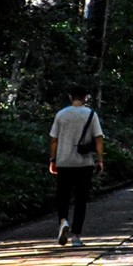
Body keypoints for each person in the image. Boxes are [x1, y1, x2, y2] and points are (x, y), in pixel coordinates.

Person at [49, 85, 104, 249]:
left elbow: (54, 139)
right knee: (81, 200)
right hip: (84, 163)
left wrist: (53, 159)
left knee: (62, 196)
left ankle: (63, 221)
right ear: (85, 97)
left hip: (64, 162)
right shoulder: (91, 114)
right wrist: (100, 160)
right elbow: (99, 138)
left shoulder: (61, 115)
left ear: (70, 96)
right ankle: (77, 236)